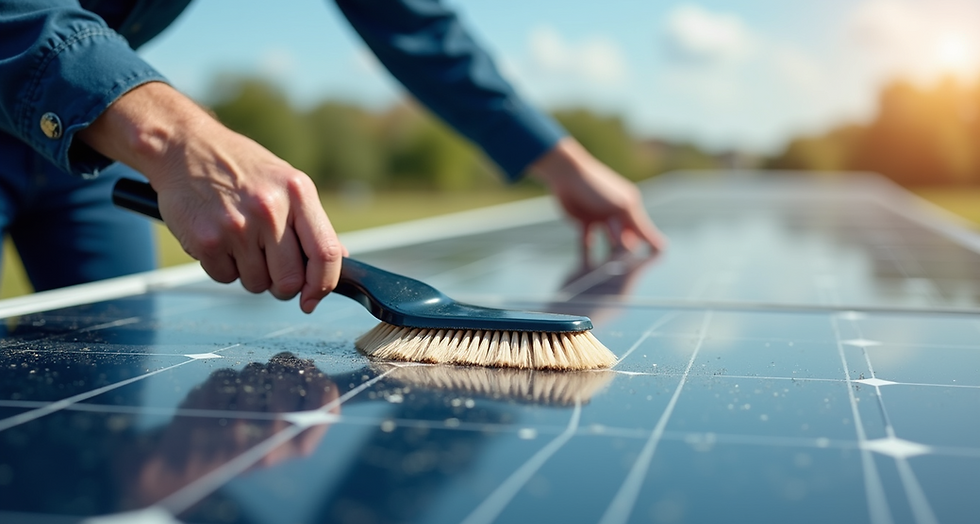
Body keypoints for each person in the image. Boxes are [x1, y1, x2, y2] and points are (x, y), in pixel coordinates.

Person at [0, 0, 666, 313]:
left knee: (102, 397)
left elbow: (411, 21)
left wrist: (556, 157)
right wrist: (176, 139)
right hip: (114, 122)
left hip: (88, 149)